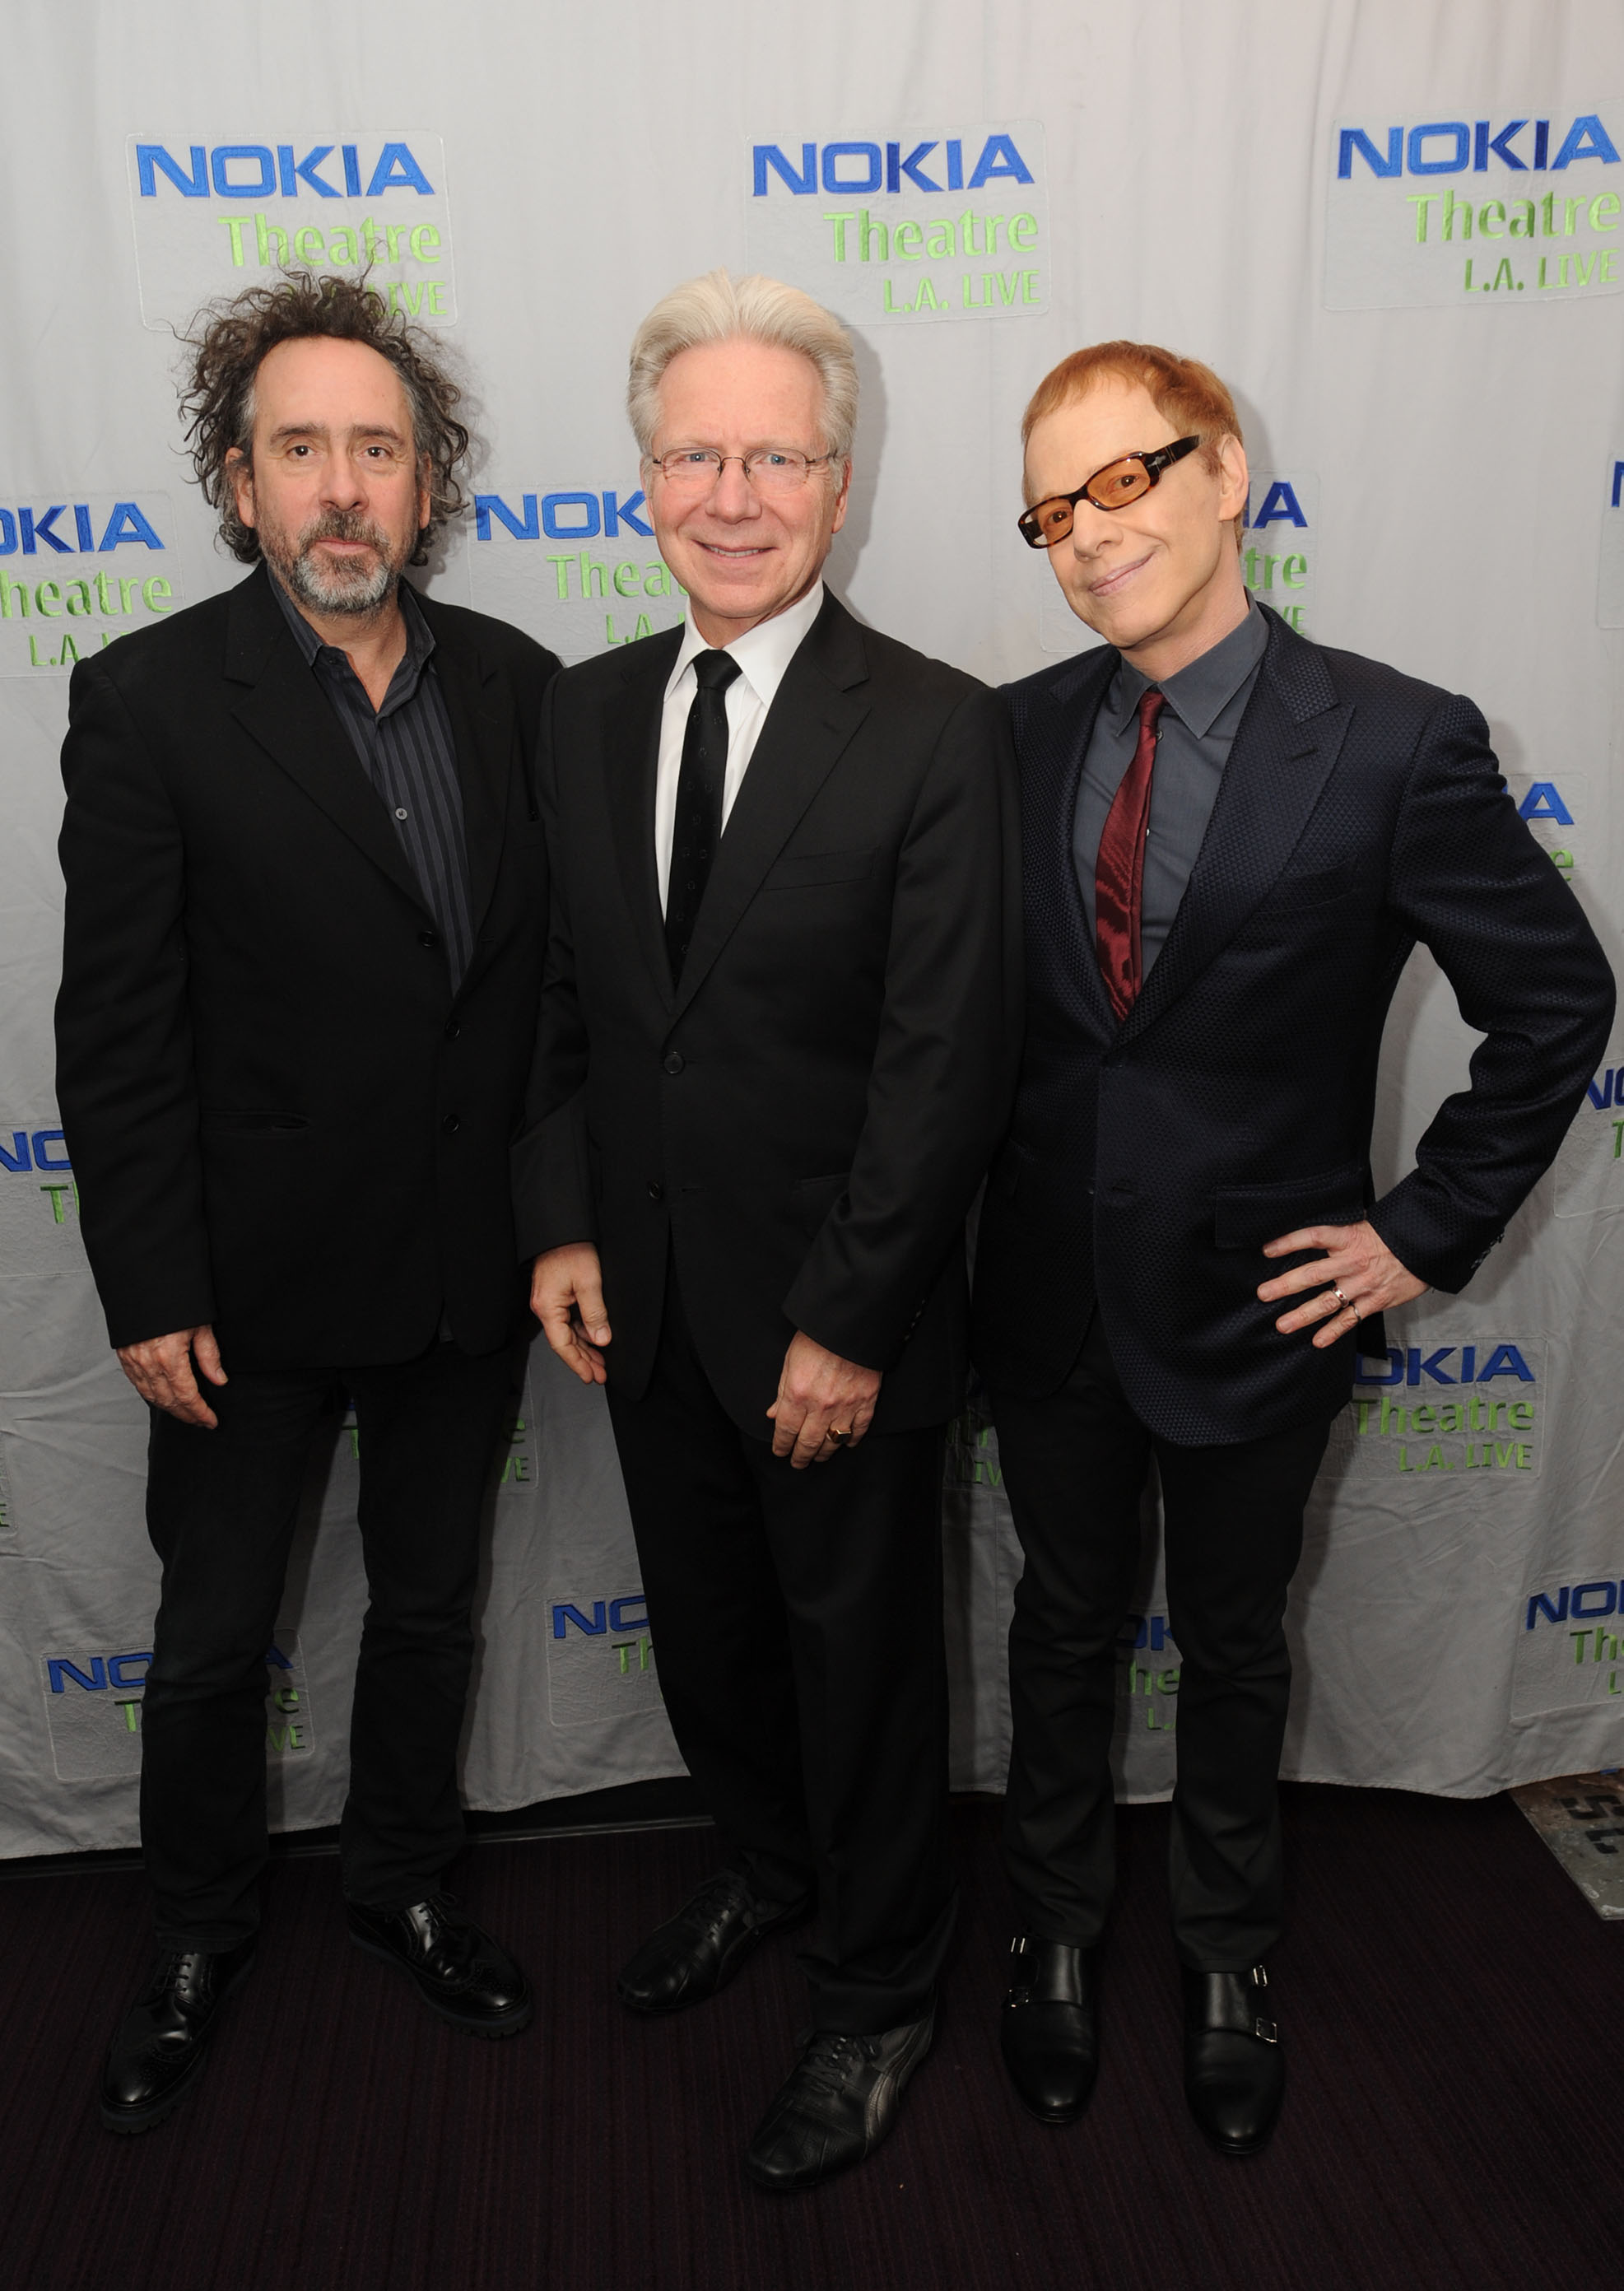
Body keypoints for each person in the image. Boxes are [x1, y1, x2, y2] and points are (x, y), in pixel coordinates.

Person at [971, 341, 1613, 2156]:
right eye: (1050, 509)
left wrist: (1419, 1232)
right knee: (1058, 1627)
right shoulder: (1007, 735)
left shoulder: (1396, 739)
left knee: (1236, 1643)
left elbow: (1555, 1002)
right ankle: (1053, 1933)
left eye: (1124, 480)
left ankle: (1228, 1952)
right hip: (1046, 1294)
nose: (1089, 534)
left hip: (1266, 1306)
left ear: (1225, 473)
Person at [518, 269, 1017, 2191]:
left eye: (776, 459)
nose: (733, 496)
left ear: (840, 482)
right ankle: (766, 1868)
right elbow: (568, 1004)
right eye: (695, 456)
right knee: (713, 1644)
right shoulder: (581, 714)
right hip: (645, 1307)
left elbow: (944, 1065)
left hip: (836, 1329)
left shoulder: (936, 730)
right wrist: (562, 1224)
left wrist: (853, 1318)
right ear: (646, 478)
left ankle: (881, 1991)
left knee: (862, 1670)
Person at [56, 272, 559, 2134]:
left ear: (427, 482)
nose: (342, 487)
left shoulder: (516, 687)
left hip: (460, 1275)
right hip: (240, 1291)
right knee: (211, 1638)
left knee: (430, 1608)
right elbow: (115, 1032)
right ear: (240, 481)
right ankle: (194, 1931)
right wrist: (147, 1282)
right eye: (299, 449)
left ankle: (402, 1880)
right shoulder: (147, 700)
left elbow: (545, 998)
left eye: (377, 448)